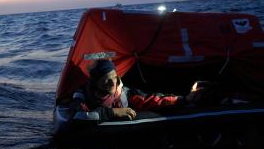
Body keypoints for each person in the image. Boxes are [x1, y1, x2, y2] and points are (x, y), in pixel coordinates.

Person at [69, 59, 208, 121]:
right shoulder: (82, 95)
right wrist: (113, 112)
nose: (112, 83)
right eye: (105, 79)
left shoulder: (125, 93)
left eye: (113, 77)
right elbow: (78, 116)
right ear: (95, 81)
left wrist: (184, 99)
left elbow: (153, 100)